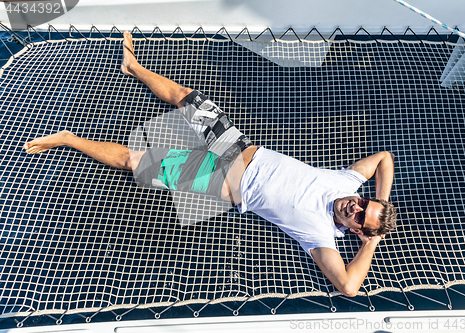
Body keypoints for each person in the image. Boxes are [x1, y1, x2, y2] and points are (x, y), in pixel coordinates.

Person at [23, 31, 397, 297]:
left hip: (219, 180)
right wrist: (379, 204)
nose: (355, 205)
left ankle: (67, 139)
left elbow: (349, 286)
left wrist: (371, 240)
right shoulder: (344, 183)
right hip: (239, 146)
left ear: (354, 230)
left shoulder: (320, 236)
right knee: (187, 97)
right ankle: (133, 66)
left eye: (358, 216)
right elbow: (384, 159)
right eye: (364, 203)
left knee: (131, 161)